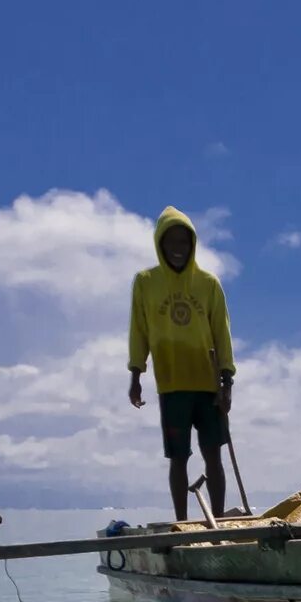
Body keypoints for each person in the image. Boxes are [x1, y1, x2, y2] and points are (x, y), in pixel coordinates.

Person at [127, 206, 236, 519]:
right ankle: (183, 524)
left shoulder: (208, 283)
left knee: (213, 455)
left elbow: (222, 333)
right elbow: (139, 329)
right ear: (160, 244)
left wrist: (227, 382)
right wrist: (136, 373)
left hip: (208, 384)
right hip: (172, 385)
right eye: (171, 242)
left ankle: (218, 523)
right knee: (178, 458)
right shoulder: (146, 282)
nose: (177, 248)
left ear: (192, 245)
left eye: (183, 242)